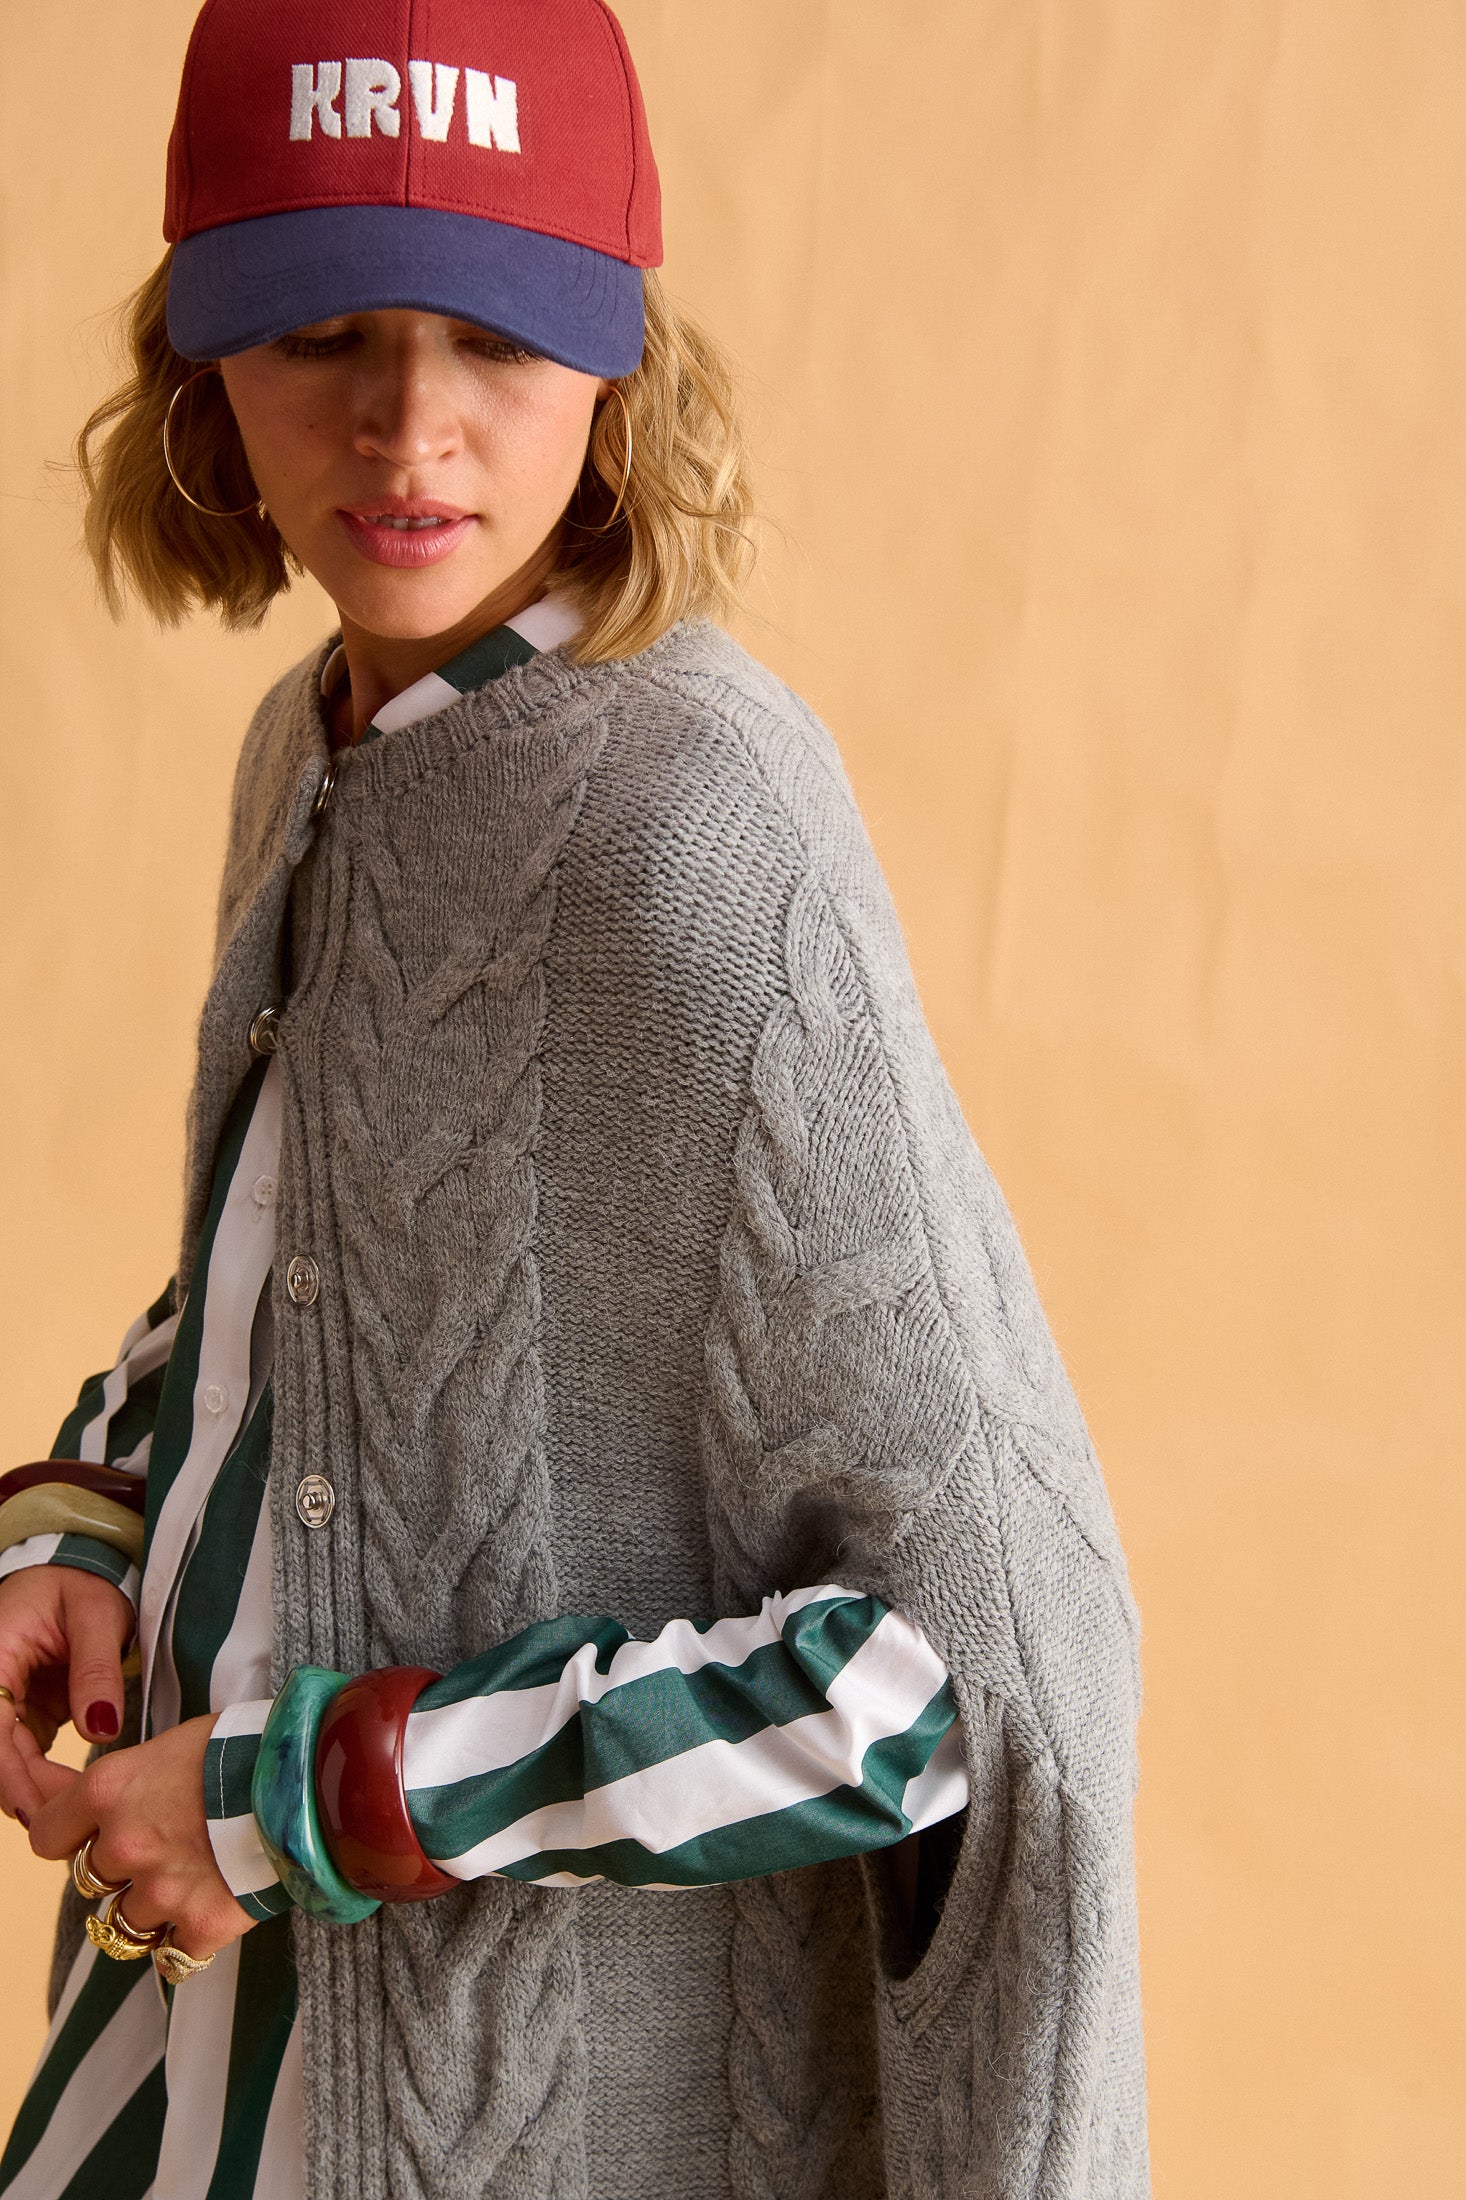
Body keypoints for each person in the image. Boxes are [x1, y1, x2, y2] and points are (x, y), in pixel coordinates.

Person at [0, 2, 1147, 2195]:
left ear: (622, 365)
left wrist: (317, 1797)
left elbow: (954, 1673)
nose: (405, 423)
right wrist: (88, 1517)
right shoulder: (313, 742)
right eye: (321, 330)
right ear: (197, 366)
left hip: (544, 2125)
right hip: (194, 2047)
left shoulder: (698, 838)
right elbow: (306, 1279)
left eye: (496, 336)